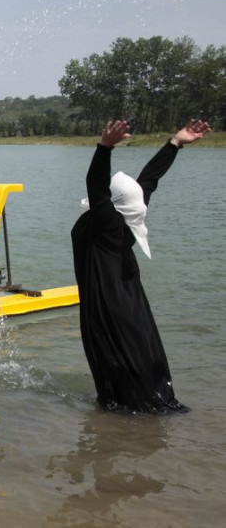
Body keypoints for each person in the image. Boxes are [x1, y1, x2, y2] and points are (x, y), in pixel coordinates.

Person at [72, 119, 211, 413]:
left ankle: (124, 406)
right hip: (129, 293)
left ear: (112, 200)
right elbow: (149, 180)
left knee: (110, 350)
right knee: (137, 346)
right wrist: (174, 144)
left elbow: (96, 185)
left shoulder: (107, 221)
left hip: (107, 300)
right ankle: (146, 402)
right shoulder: (131, 213)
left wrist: (105, 148)